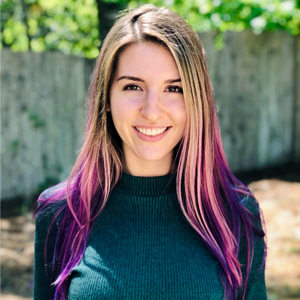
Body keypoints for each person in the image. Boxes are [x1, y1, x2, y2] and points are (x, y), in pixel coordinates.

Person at [34, 4, 267, 300]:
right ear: (106, 98)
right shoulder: (61, 213)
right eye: (133, 87)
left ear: (196, 102)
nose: (152, 111)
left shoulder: (235, 214)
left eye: (174, 89)